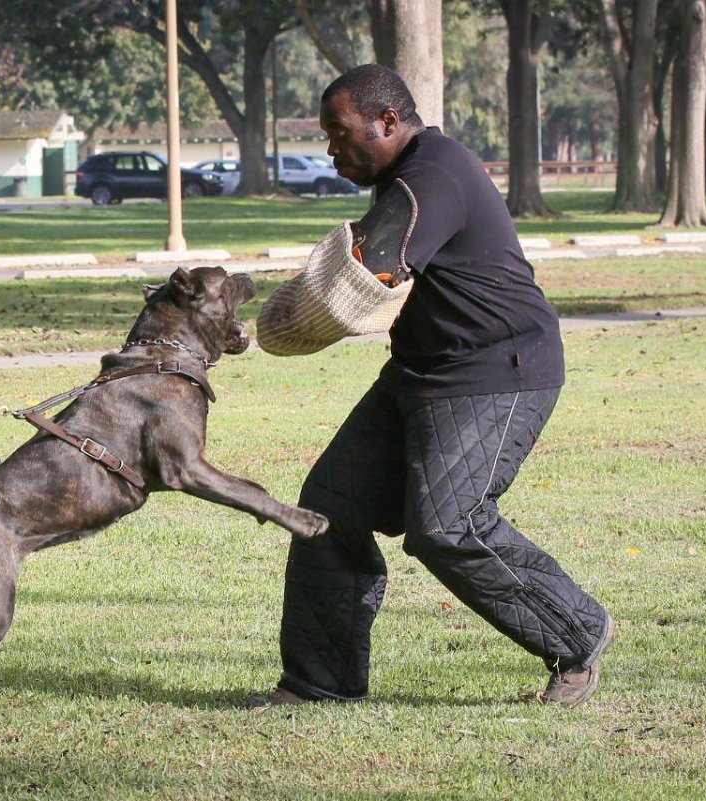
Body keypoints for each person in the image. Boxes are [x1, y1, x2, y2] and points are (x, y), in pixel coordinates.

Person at [247, 65, 615, 709]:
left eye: (340, 133)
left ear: (388, 122)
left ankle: (577, 632)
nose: (331, 149)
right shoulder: (406, 174)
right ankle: (318, 684)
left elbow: (371, 269)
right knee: (327, 512)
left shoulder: (433, 173)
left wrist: (273, 321)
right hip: (422, 370)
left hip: (498, 371)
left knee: (447, 525)